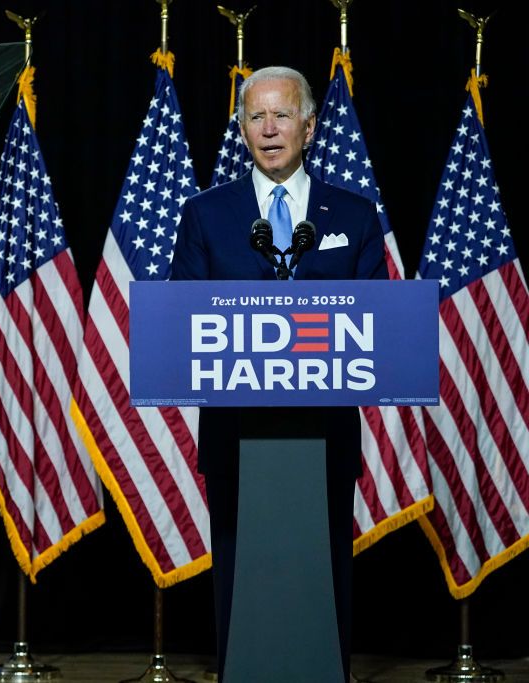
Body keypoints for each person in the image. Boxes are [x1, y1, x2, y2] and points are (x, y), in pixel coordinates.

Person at [170, 66, 387, 681]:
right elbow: (183, 319)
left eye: (282, 115)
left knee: (322, 578)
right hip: (237, 438)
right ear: (241, 130)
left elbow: (377, 320)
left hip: (325, 439)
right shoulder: (207, 215)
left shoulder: (355, 213)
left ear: (310, 126)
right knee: (243, 581)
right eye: (255, 117)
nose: (269, 129)